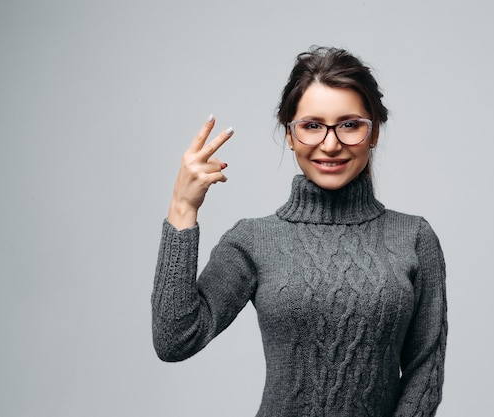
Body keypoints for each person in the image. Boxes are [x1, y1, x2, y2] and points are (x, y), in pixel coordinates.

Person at [152, 46, 448, 417]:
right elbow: (174, 340)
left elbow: (425, 372)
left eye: (349, 124)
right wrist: (183, 209)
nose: (330, 143)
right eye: (311, 126)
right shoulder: (253, 240)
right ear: (289, 134)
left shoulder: (414, 238)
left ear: (374, 132)